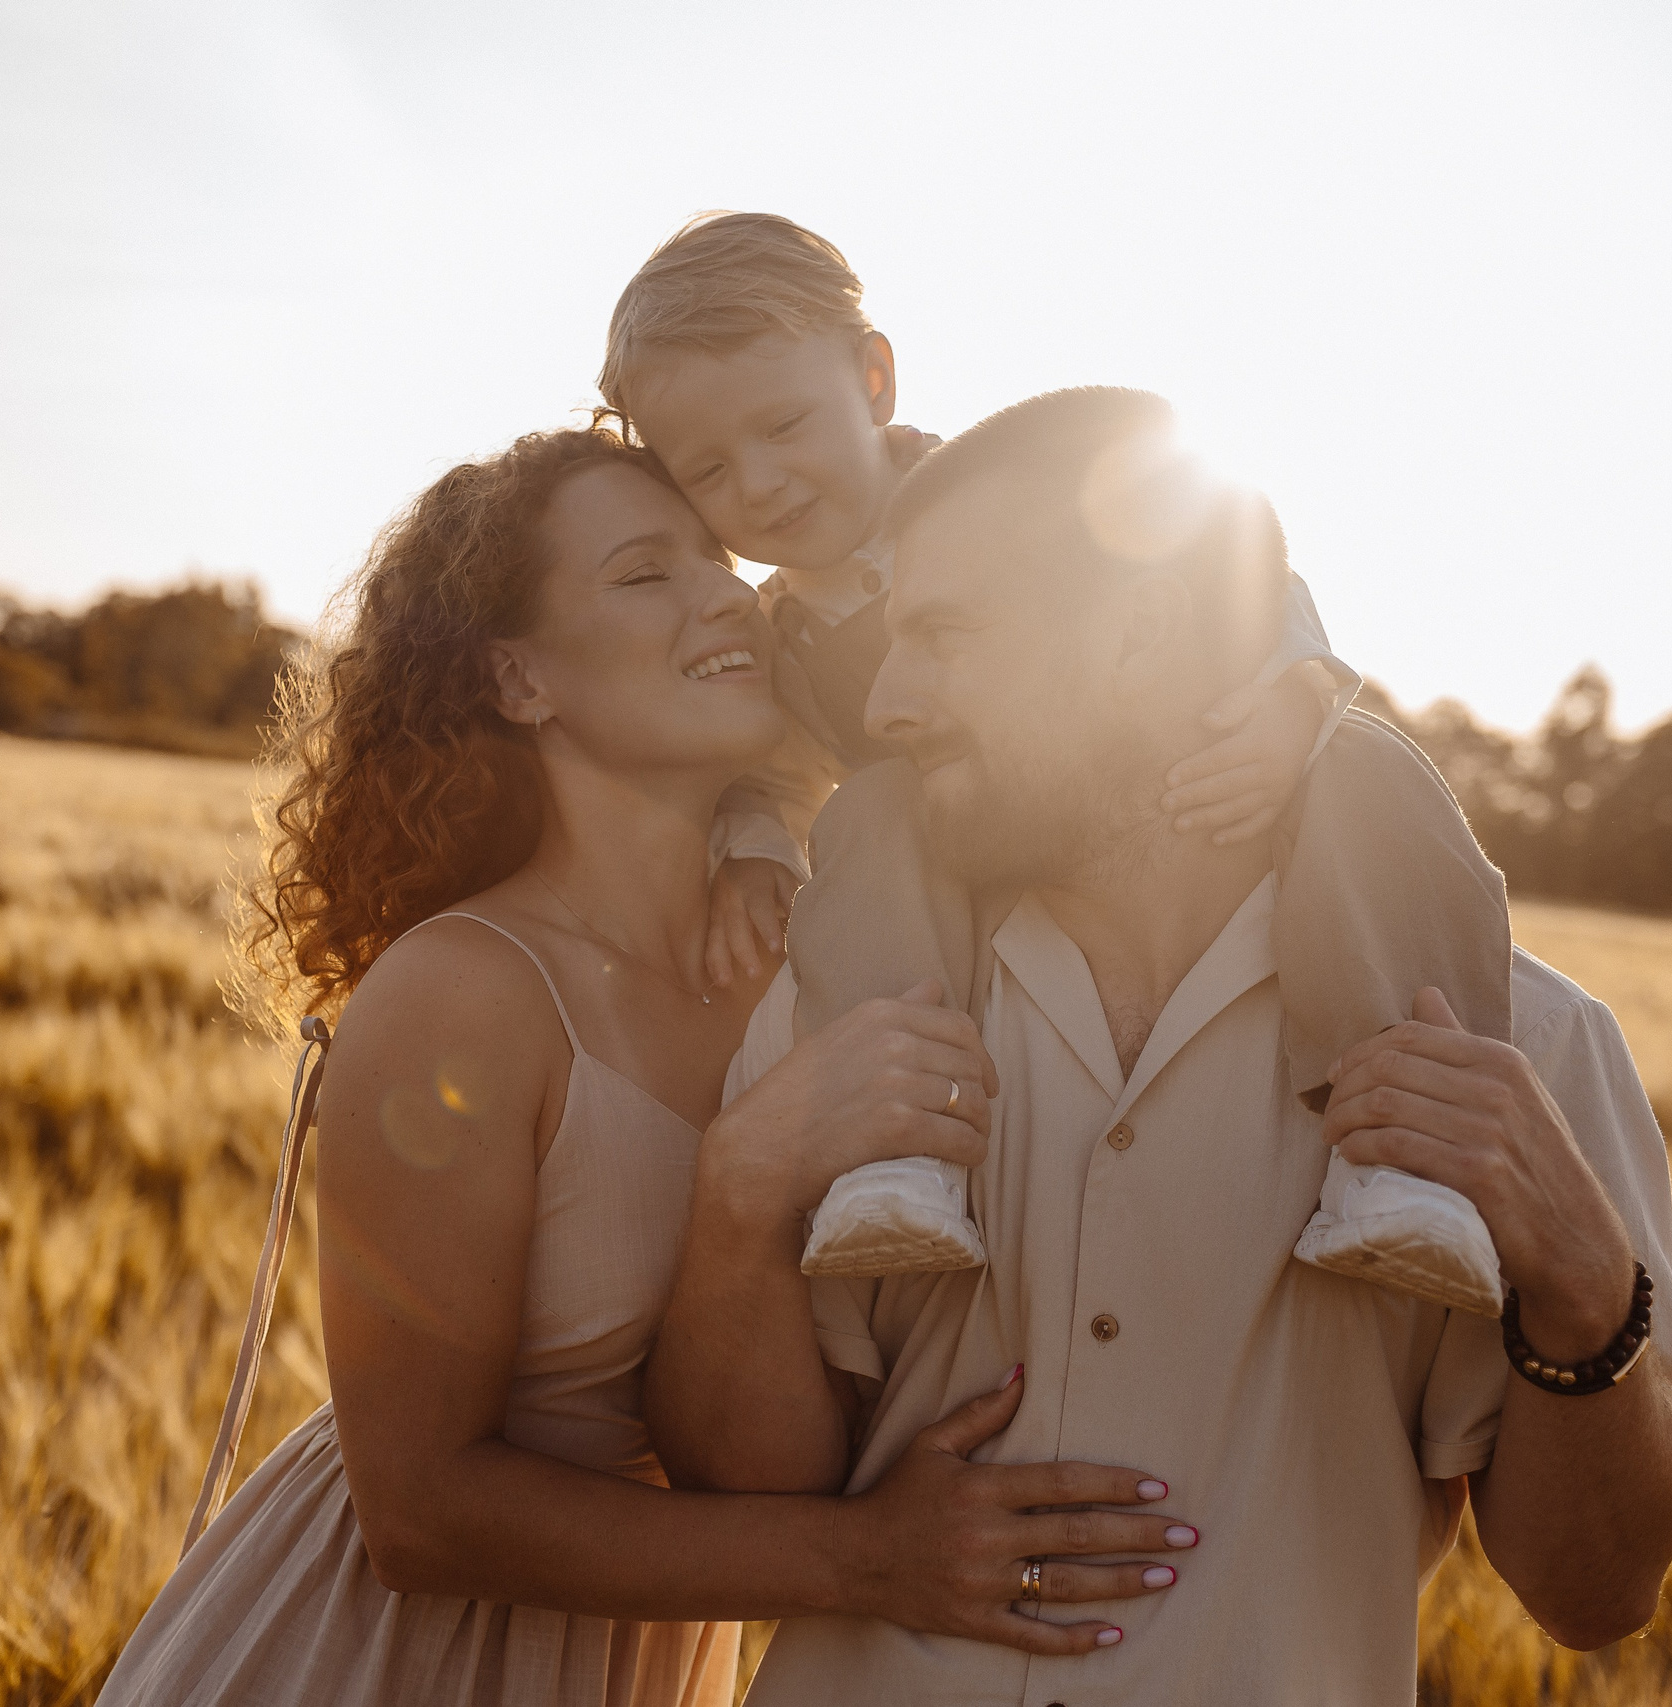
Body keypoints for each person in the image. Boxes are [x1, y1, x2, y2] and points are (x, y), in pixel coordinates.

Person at [95, 423, 1193, 1707]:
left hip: (643, 1658)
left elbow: (1048, 675)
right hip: (387, 1663)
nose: (724, 590)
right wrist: (869, 1557)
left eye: (717, 559)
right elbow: (418, 1512)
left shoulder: (818, 958)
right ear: (520, 682)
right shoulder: (464, 992)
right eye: (643, 573)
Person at [647, 388, 1672, 1703]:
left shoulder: (1522, 1046)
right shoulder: (848, 1002)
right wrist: (737, 1195)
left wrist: (1586, 1277)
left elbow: (1597, 1592)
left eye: (943, 635)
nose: (893, 700)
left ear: (1140, 632)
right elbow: (742, 1489)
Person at [602, 212, 1514, 1309]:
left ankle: (1403, 1157)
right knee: (875, 814)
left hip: (1169, 799)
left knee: (1369, 776)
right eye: (706, 469)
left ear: (874, 378)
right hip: (966, 858)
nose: (759, 483)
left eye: (785, 424)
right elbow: (774, 766)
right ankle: (900, 1152)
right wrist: (753, 846)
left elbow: (1235, 559)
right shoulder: (778, 629)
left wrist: (1291, 700)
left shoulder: (1014, 497)